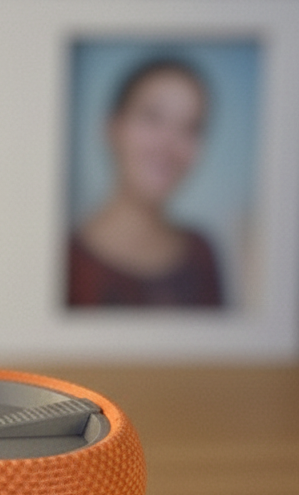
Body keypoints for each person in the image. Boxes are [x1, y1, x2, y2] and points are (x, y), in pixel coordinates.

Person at [68, 58, 223, 308]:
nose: (168, 143)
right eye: (152, 118)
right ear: (112, 128)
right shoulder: (66, 259)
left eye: (190, 128)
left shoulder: (202, 253)